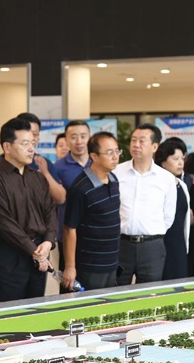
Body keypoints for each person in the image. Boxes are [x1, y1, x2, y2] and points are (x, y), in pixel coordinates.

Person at [0, 117, 57, 303]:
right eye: (25, 144)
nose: (31, 149)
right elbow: (4, 224)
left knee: (35, 309)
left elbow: (50, 212)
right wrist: (36, 252)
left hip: (39, 253)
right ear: (7, 147)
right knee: (8, 312)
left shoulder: (37, 178)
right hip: (9, 256)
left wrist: (48, 242)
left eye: (33, 143)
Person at [113, 123, 177, 285]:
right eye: (133, 140)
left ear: (154, 146)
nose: (136, 145)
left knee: (149, 294)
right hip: (121, 244)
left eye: (142, 141)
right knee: (116, 292)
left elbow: (168, 217)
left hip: (152, 247)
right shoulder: (116, 173)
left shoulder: (166, 178)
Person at [62, 132, 121, 290]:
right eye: (109, 152)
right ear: (94, 156)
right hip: (90, 266)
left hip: (111, 263)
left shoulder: (114, 179)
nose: (115, 157)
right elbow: (69, 229)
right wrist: (70, 267)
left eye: (117, 151)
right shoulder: (81, 188)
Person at [0, 112, 66, 205]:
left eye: (35, 134)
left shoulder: (43, 163)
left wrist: (45, 173)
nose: (32, 139)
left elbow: (60, 198)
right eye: (25, 140)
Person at [53, 120, 92, 290]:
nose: (79, 141)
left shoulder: (99, 163)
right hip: (68, 235)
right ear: (66, 140)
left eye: (83, 136)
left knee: (94, 285)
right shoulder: (58, 168)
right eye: (74, 137)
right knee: (70, 286)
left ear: (89, 137)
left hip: (94, 236)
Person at [154, 137, 190, 280]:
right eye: (175, 159)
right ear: (163, 162)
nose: (180, 163)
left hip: (179, 243)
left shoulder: (182, 184)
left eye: (182, 158)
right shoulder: (157, 184)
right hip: (161, 243)